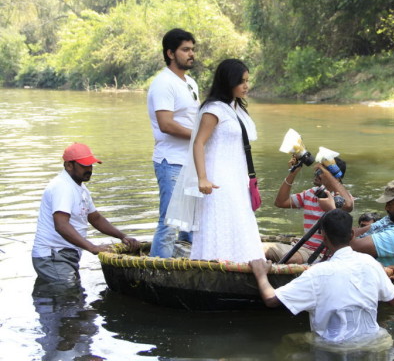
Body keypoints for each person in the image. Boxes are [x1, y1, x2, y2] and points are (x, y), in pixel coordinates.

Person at [165, 59, 264, 262]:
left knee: (240, 220)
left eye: (247, 80)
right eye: (241, 81)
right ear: (228, 81)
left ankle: (244, 262)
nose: (246, 86)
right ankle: (216, 264)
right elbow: (198, 143)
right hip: (218, 177)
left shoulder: (235, 107)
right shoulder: (214, 109)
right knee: (220, 220)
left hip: (236, 177)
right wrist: (202, 178)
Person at [249, 209, 394, 343]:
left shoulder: (317, 273)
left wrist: (261, 274)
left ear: (323, 237)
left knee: (288, 340)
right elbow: (392, 298)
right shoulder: (370, 263)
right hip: (377, 341)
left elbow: (271, 300)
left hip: (337, 345)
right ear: (352, 234)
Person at [32, 143, 140, 284]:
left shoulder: (80, 188)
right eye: (84, 165)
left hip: (64, 254)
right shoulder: (62, 187)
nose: (89, 169)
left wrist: (123, 236)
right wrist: (92, 247)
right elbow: (61, 225)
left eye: (91, 165)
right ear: (69, 165)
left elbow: (95, 218)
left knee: (70, 297)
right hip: (53, 254)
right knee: (66, 294)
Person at [147, 28, 199, 258]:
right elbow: (166, 124)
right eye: (185, 50)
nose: (191, 54)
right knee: (169, 222)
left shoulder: (190, 83)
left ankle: (189, 269)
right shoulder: (163, 83)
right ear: (170, 53)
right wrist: (199, 137)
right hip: (171, 162)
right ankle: (158, 273)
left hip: (190, 161)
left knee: (190, 222)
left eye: (192, 49)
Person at [265, 158, 354, 264]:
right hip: (301, 247)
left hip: (320, 253)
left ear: (335, 178)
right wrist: (293, 173)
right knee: (259, 249)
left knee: (291, 259)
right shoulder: (311, 193)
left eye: (321, 172)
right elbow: (281, 202)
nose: (316, 173)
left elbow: (349, 205)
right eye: (317, 170)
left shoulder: (341, 198)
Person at [350, 178, 394, 267]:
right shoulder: (393, 218)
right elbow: (359, 232)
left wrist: (335, 212)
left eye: (390, 204)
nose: (386, 208)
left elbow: (346, 246)